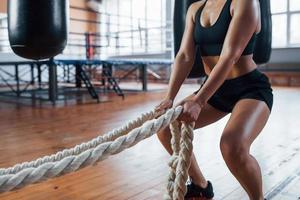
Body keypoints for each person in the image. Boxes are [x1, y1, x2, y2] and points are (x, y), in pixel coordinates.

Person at [155, 0, 273, 199]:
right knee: (165, 128)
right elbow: (184, 56)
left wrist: (199, 101)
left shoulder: (244, 2)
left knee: (232, 146)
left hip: (249, 89)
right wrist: (169, 97)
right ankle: (201, 186)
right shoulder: (195, 9)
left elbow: (231, 56)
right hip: (216, 88)